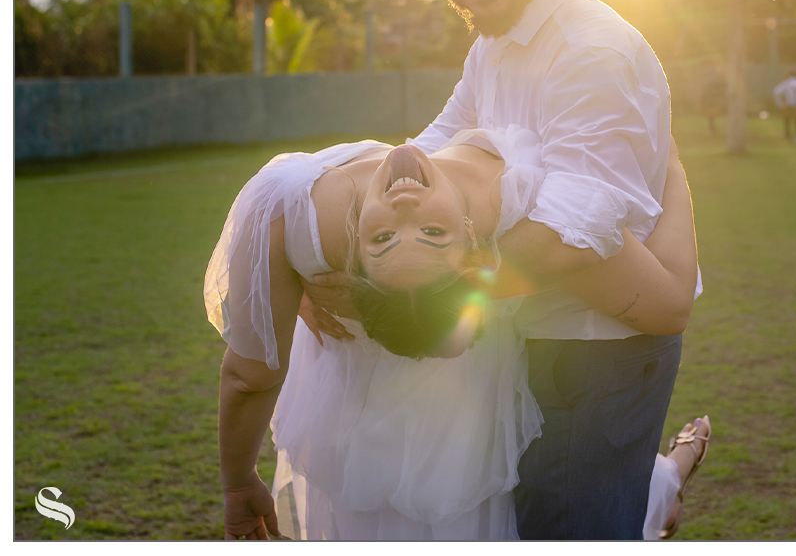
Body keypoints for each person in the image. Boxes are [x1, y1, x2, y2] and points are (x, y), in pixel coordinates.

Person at [206, 127, 706, 539]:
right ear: (471, 246)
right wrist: (667, 154)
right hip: (471, 431)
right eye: (430, 235)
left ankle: (661, 485)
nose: (405, 209)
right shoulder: (521, 212)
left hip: (392, 429)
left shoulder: (282, 207)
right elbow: (668, 302)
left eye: (383, 240)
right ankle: (663, 487)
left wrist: (237, 485)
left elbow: (250, 376)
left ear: (356, 261)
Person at [773, 69, 796, 143]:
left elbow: (776, 91)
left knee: (787, 118)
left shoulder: (787, 83)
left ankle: (787, 134)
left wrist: (780, 104)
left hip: (790, 104)